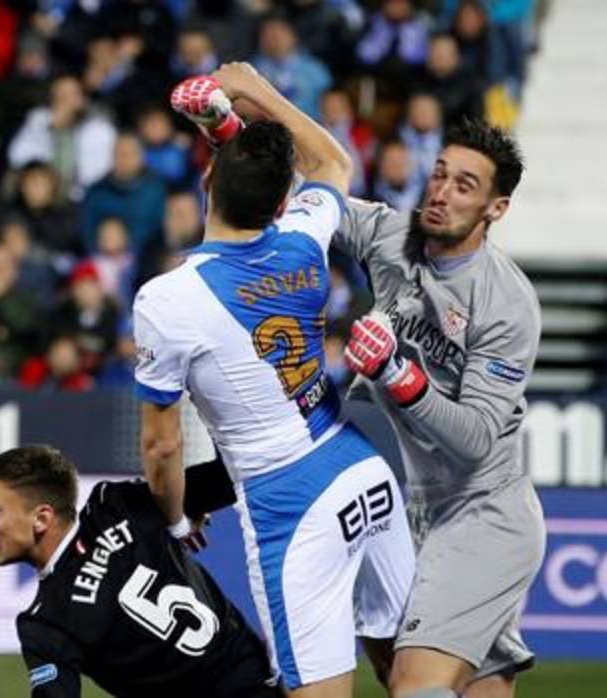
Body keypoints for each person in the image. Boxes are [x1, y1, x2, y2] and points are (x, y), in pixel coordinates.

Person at [137, 63, 415, 697]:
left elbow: (161, 446)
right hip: (361, 469)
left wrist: (177, 521)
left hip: (290, 502)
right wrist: (257, 91)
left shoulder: (167, 299)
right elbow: (333, 166)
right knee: (411, 675)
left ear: (209, 180)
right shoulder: (303, 238)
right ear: (282, 202)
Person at [335, 118, 544, 698]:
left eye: (465, 186)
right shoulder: (390, 236)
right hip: (406, 512)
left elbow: (476, 436)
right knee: (428, 680)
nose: (442, 192)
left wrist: (397, 374)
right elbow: (313, 200)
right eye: (441, 175)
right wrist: (234, 120)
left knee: (414, 685)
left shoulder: (506, 301)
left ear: (495, 209)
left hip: (483, 513)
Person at [0, 445, 279, 698]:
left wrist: (179, 515)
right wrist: (180, 513)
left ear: (42, 518)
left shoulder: (45, 622)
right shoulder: (115, 505)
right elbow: (226, 478)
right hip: (267, 681)